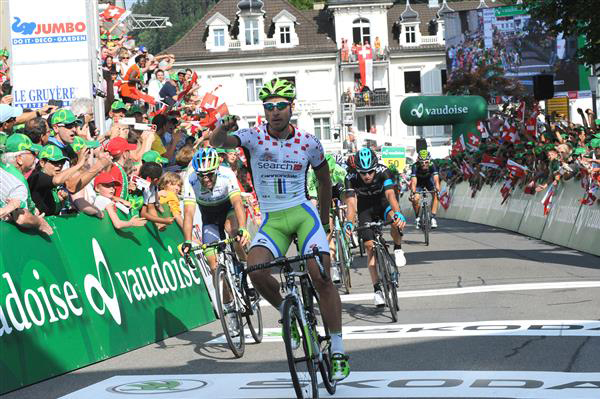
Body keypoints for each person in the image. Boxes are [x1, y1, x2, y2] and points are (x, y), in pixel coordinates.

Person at [208, 78, 349, 381]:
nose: (275, 112)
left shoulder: (310, 142)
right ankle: (288, 312)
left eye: (280, 106)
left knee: (321, 274)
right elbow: (216, 142)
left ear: (291, 108)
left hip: (303, 213)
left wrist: (324, 223)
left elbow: (324, 182)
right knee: (255, 268)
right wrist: (223, 124)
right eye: (269, 107)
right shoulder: (253, 136)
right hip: (273, 219)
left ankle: (337, 348)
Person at [343, 147, 407, 306]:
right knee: (369, 247)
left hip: (383, 203)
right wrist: (349, 222)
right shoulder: (350, 177)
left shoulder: (383, 171)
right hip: (365, 209)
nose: (367, 176)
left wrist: (397, 212)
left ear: (375, 168)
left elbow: (390, 194)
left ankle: (398, 248)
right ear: (357, 170)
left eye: (370, 172)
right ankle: (377, 289)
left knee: (394, 219)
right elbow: (351, 203)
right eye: (363, 173)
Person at [181, 148, 250, 274]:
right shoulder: (190, 179)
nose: (206, 179)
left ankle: (247, 269)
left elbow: (237, 202)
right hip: (210, 219)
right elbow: (189, 213)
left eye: (210, 174)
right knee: (213, 266)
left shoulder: (227, 174)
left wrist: (243, 227)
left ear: (217, 170)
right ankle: (225, 289)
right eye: (201, 175)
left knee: (233, 230)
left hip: (228, 209)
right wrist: (187, 240)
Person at [409, 149, 441, 228]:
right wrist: (413, 192)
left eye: (426, 162)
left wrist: (437, 188)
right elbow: (413, 182)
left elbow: (436, 179)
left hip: (428, 181)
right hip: (418, 183)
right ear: (418, 161)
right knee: (415, 199)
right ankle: (417, 217)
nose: (424, 164)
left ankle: (433, 218)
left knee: (436, 195)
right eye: (422, 162)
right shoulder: (415, 166)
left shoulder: (432, 165)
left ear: (429, 160)